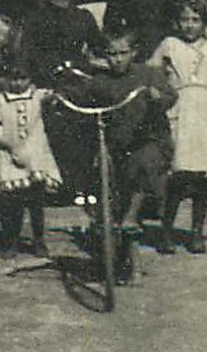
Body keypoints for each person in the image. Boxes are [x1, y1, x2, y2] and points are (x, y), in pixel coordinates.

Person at [59, 28, 176, 270]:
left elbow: (170, 96)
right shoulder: (101, 81)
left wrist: (157, 96)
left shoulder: (148, 74)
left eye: (123, 53)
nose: (117, 59)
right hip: (116, 143)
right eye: (111, 54)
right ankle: (110, 236)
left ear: (134, 53)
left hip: (149, 139)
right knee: (104, 177)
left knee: (145, 163)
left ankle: (132, 216)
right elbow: (81, 95)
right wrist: (59, 94)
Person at [150, 0, 207, 253]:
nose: (189, 25)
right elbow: (151, 72)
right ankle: (166, 232)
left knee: (200, 177)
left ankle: (196, 232)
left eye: (195, 20)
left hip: (205, 113)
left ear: (205, 22)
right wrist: (158, 90)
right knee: (178, 175)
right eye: (184, 20)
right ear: (177, 22)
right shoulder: (169, 45)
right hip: (179, 109)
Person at [16, 0, 102, 194]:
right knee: (54, 132)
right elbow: (27, 52)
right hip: (47, 79)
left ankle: (81, 184)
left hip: (76, 78)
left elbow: (98, 45)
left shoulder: (83, 17)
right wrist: (35, 77)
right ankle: (56, 182)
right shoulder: (36, 18)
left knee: (82, 132)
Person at [0, 62, 63, 258]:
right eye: (14, 79)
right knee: (12, 204)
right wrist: (5, 141)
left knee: (36, 202)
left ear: (30, 79)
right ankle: (12, 241)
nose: (18, 83)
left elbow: (56, 96)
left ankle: (39, 240)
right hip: (9, 155)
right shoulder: (0, 101)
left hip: (34, 155)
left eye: (23, 78)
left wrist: (56, 91)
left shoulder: (37, 96)